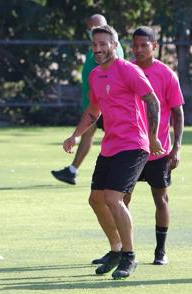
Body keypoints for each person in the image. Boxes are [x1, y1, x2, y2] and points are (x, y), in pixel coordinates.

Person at [62, 25, 164, 279]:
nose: (98, 49)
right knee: (95, 199)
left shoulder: (129, 70)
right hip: (110, 145)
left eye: (103, 44)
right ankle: (116, 249)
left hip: (133, 144)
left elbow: (153, 100)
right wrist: (75, 135)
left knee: (113, 198)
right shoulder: (95, 75)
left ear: (115, 45)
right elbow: (93, 111)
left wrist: (152, 137)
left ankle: (130, 256)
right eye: (95, 44)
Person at [129, 26, 183, 265]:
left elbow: (178, 113)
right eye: (136, 45)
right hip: (130, 148)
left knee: (161, 199)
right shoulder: (126, 70)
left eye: (144, 45)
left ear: (154, 45)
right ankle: (122, 250)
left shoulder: (166, 74)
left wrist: (177, 147)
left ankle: (160, 251)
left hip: (158, 151)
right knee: (121, 200)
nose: (139, 50)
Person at [52, 14, 124, 186]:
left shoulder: (106, 50)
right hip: (94, 105)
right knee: (88, 136)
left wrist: (98, 97)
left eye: (92, 29)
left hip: (102, 104)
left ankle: (125, 169)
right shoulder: (99, 46)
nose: (91, 33)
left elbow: (108, 76)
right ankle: (72, 171)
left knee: (116, 137)